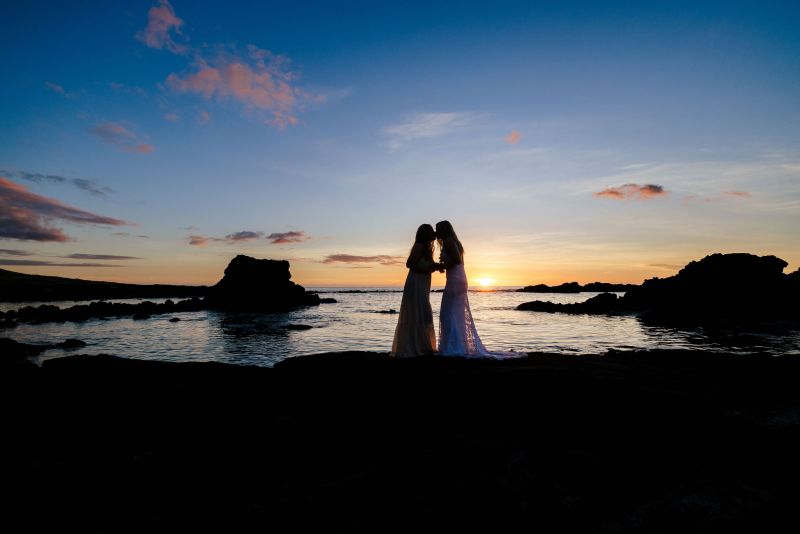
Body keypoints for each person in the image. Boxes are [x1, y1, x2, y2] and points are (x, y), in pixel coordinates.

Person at [435, 220, 520, 359]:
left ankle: (453, 347)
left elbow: (456, 260)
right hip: (459, 278)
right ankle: (456, 345)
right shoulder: (454, 241)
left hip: (455, 280)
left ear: (444, 230)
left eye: (437, 229)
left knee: (448, 313)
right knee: (454, 314)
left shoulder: (448, 241)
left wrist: (442, 266)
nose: (436, 232)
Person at [390, 224, 444, 357]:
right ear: (426, 233)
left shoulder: (426, 247)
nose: (434, 234)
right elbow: (410, 263)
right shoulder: (419, 246)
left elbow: (424, 264)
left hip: (422, 282)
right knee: (418, 311)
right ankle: (415, 346)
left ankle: (423, 345)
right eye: (432, 231)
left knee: (422, 311)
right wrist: (432, 266)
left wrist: (434, 266)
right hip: (416, 282)